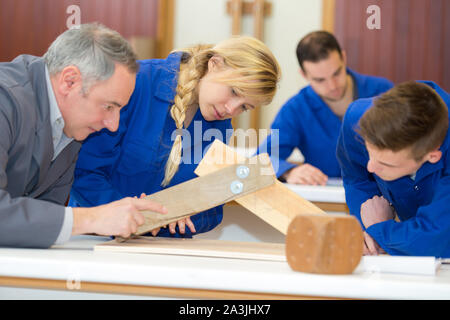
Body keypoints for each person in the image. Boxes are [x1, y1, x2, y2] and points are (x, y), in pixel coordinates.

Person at [69, 36, 281, 237]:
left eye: (244, 107)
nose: (231, 109)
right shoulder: (138, 83)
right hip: (94, 237)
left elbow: (213, 208)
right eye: (234, 91)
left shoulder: (221, 129)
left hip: (157, 247)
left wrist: (185, 214)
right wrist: (131, 215)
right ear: (214, 64)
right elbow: (84, 172)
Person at [0, 23, 168, 249]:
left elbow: (42, 218)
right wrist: (92, 218)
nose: (113, 125)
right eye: (108, 106)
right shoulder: (5, 98)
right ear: (69, 81)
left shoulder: (71, 126)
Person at [257, 30, 393, 185]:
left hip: (385, 196)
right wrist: (289, 171)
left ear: (344, 58)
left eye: (336, 73)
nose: (332, 86)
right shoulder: (295, 110)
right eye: (320, 80)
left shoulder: (382, 92)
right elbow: (263, 158)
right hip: (328, 198)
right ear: (304, 75)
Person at [336, 81, 450, 257]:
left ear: (432, 156)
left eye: (387, 164)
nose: (371, 166)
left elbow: (436, 238)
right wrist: (368, 232)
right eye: (369, 152)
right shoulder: (357, 120)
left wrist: (379, 229)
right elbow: (358, 178)